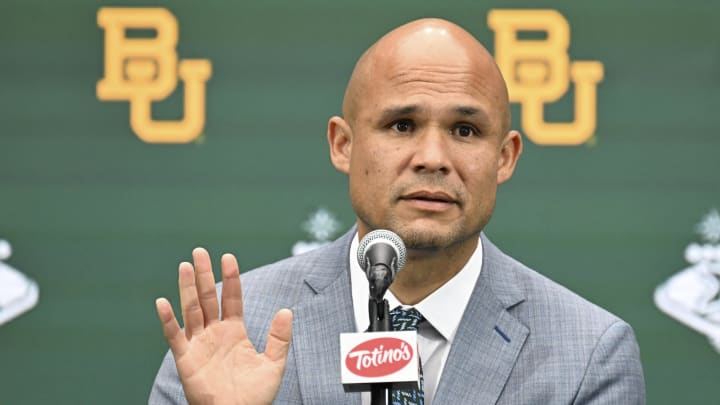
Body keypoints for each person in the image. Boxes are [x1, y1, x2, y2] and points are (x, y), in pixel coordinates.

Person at [149, 18, 646, 405]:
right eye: (402, 125)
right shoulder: (230, 332)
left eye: (465, 131)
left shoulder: (588, 354)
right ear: (343, 145)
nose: (433, 157)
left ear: (505, 157)